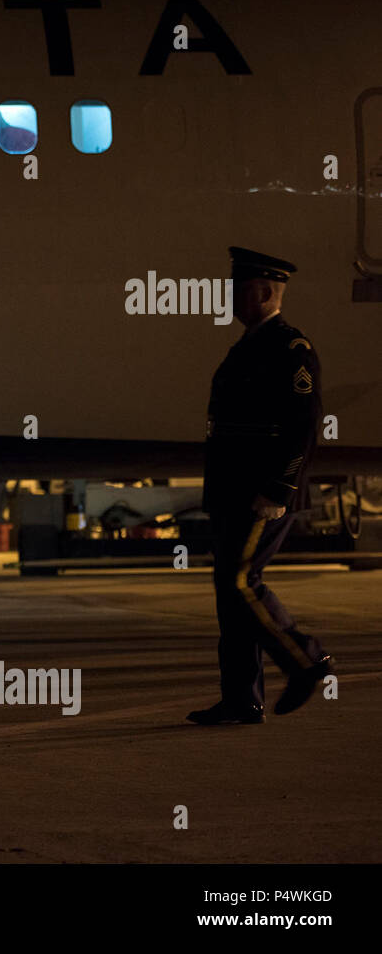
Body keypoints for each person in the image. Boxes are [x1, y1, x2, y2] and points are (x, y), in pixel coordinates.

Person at [187, 246, 334, 726]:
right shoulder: (249, 344)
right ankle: (241, 699)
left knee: (239, 582)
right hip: (233, 489)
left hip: (261, 491)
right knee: (229, 596)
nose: (231, 297)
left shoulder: (290, 347)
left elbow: (303, 426)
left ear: (266, 292)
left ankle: (305, 659)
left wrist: (279, 487)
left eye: (239, 288)